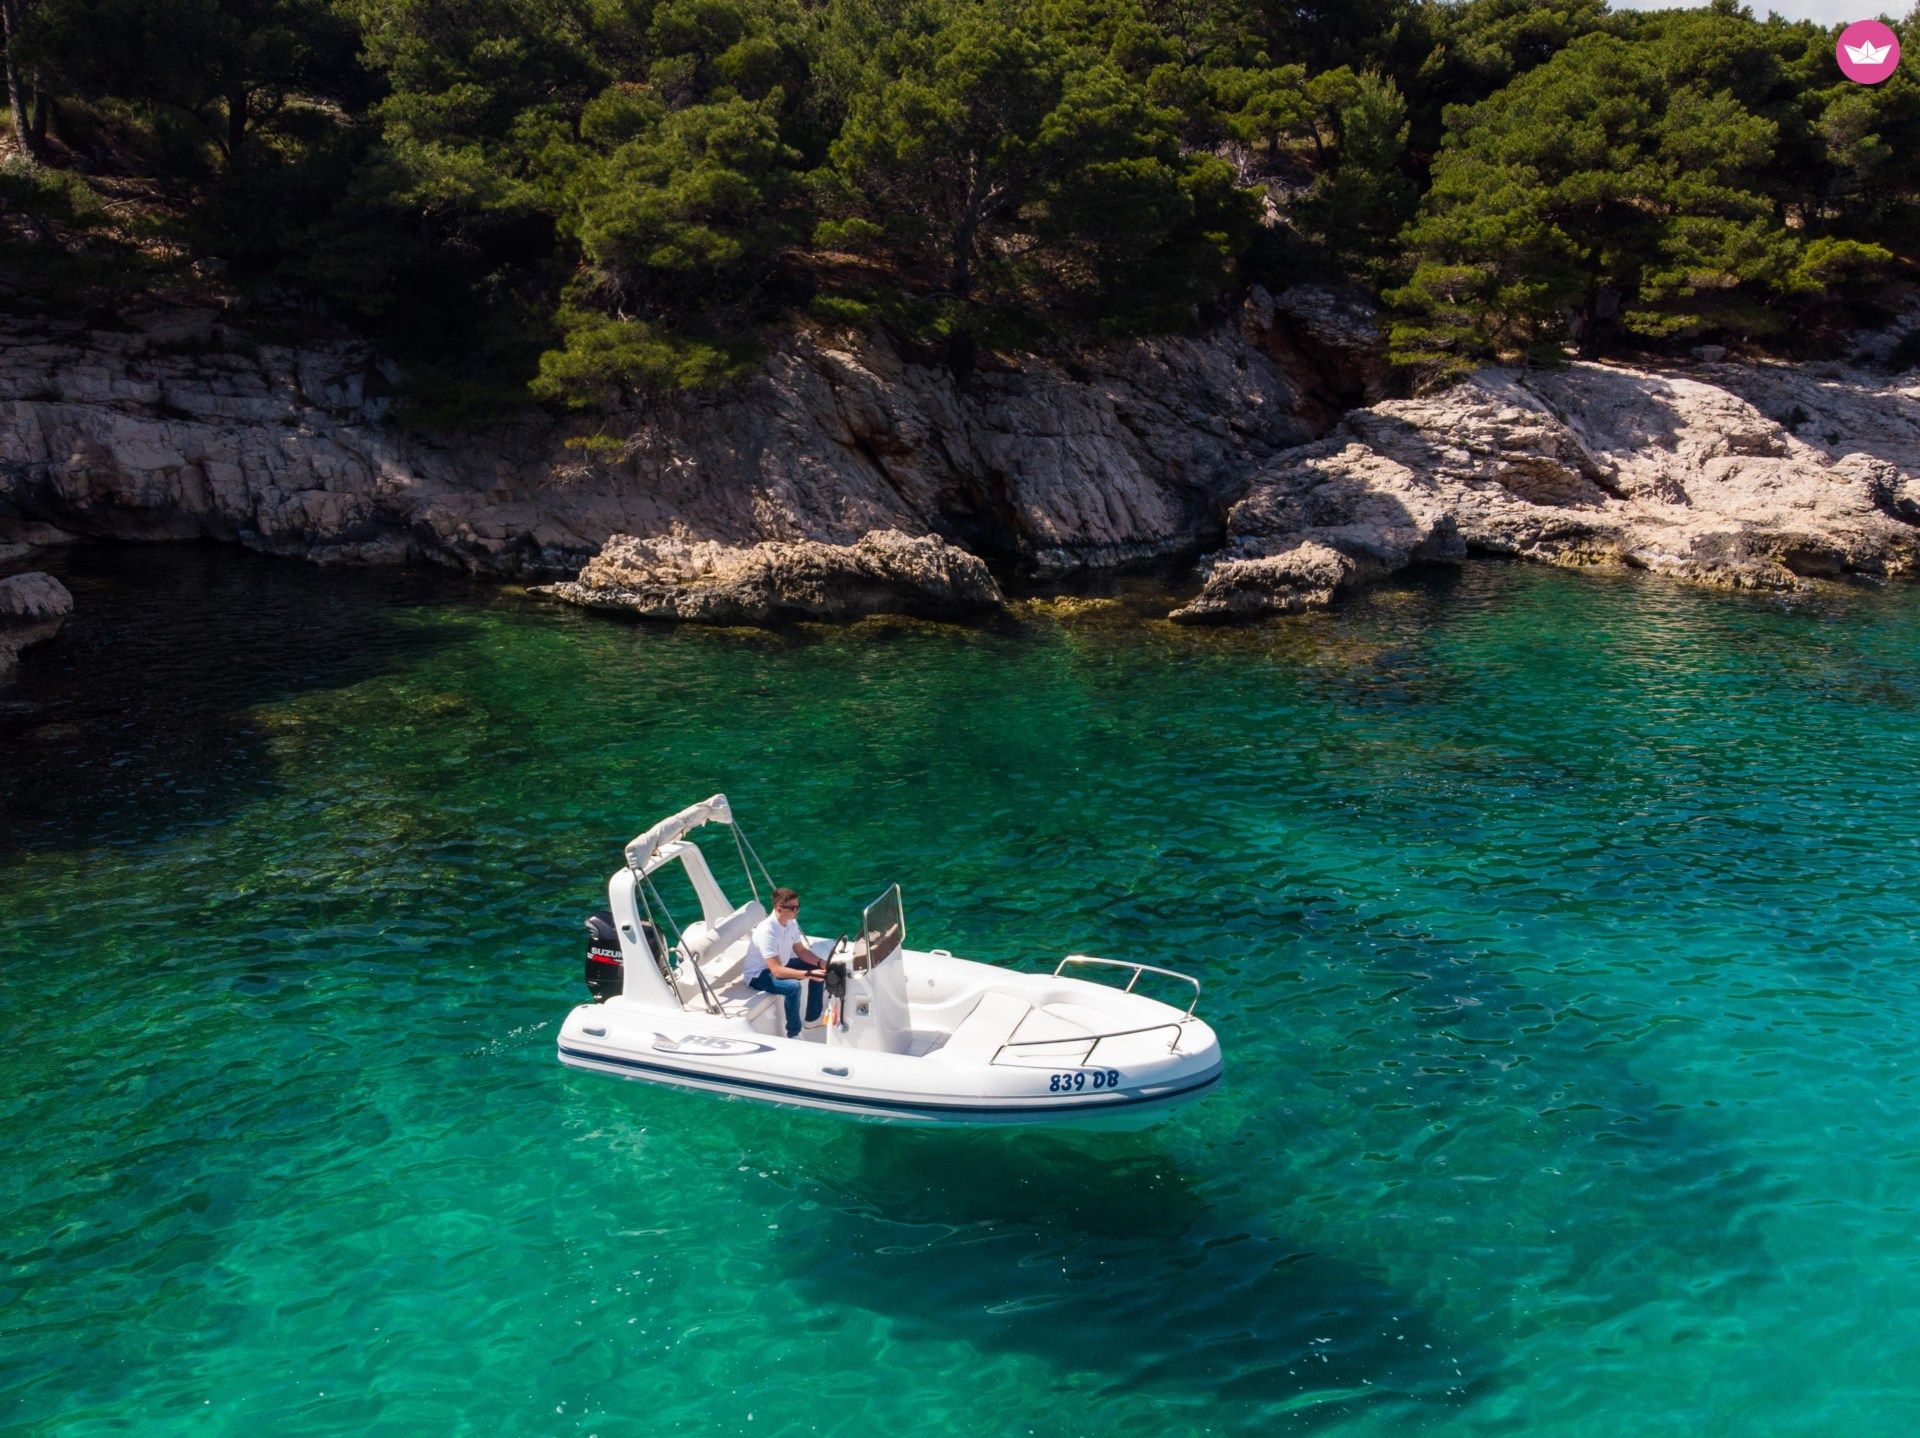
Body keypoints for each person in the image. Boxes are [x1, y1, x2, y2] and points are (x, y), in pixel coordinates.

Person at [743, 887, 827, 1038]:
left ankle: (813, 1018)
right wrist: (808, 974)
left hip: (779, 965)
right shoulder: (767, 931)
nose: (797, 910)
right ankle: (793, 1033)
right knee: (793, 987)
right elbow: (776, 971)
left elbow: (801, 951)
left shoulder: (791, 923)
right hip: (759, 975)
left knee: (817, 967)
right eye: (794, 908)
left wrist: (821, 963)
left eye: (798, 906)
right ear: (779, 908)